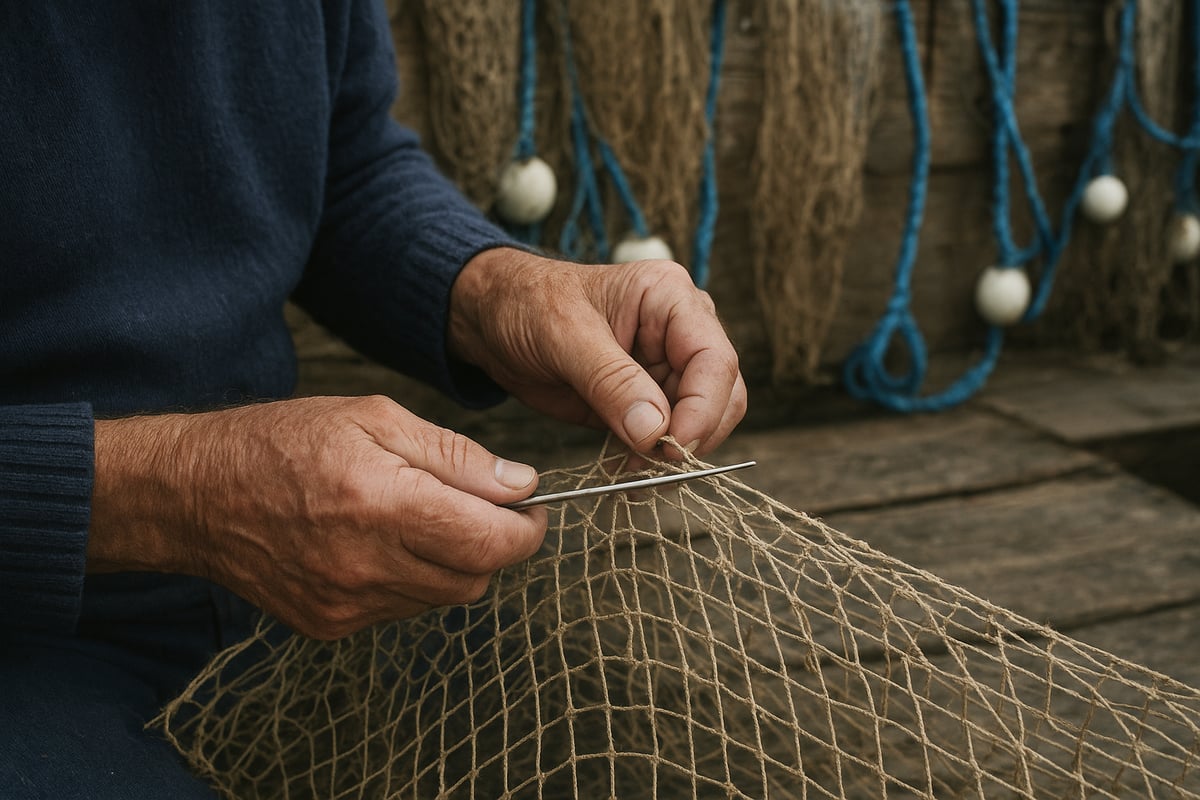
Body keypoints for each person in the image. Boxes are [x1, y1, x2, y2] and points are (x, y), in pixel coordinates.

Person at [0, 1, 746, 796]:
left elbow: (343, 162)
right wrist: (172, 494)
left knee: (624, 759)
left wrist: (491, 289)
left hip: (280, 593)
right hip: (31, 636)